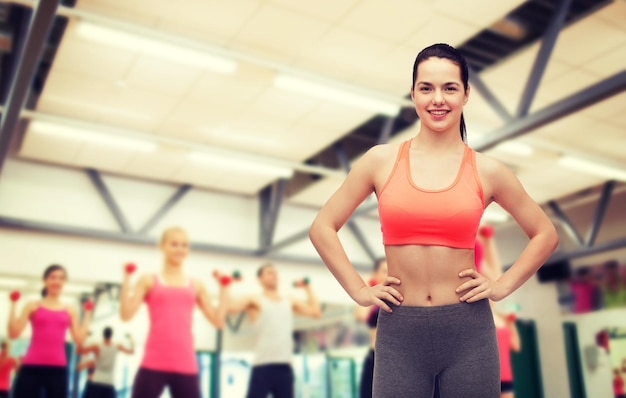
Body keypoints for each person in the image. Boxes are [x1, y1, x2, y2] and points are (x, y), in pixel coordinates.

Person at [309, 43, 559, 398]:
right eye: (426, 88)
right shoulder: (380, 161)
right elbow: (322, 227)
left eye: (449, 88)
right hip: (400, 332)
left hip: (468, 332)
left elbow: (545, 233)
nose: (437, 99)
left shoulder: (488, 170)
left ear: (466, 93)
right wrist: (359, 291)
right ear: (413, 93)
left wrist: (502, 286)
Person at [119, 226, 229, 398]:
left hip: (185, 363)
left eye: (184, 245)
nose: (180, 249)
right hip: (154, 361)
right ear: (162, 246)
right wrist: (126, 279)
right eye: (174, 244)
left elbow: (218, 321)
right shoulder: (149, 280)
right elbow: (126, 315)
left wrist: (223, 290)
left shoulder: (196, 284)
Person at [228, 263, 322, 398]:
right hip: (263, 366)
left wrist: (308, 288)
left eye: (275, 273)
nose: (274, 275)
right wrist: (229, 283)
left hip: (285, 367)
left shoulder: (289, 300)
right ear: (260, 279)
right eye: (269, 273)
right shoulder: (254, 300)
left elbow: (316, 312)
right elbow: (229, 308)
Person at [7, 264, 92, 398]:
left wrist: (87, 314)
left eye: (61, 278)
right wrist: (13, 305)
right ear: (45, 280)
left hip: (58, 368)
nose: (57, 282)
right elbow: (13, 333)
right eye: (53, 277)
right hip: (31, 366)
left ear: (64, 282)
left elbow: (79, 339)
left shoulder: (70, 310)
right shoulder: (32, 305)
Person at [355, 259, 387, 398]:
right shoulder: (371, 300)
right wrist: (370, 286)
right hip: (375, 357)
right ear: (375, 274)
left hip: (400, 356)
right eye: (385, 271)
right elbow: (361, 315)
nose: (388, 275)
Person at [77, 327, 134, 398]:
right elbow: (131, 351)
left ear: (103, 334)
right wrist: (131, 339)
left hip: (97, 381)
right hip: (109, 382)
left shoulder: (97, 346)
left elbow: (79, 350)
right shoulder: (117, 346)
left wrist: (84, 337)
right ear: (112, 335)